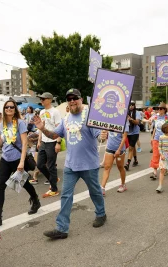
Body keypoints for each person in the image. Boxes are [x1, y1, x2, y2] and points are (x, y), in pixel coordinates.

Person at [33, 88, 106, 240]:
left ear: (81, 100)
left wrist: (103, 135)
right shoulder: (66, 119)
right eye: (69, 98)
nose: (72, 101)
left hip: (89, 165)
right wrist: (42, 129)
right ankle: (62, 228)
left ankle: (101, 213)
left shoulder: (89, 118)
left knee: (95, 192)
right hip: (70, 166)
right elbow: (54, 135)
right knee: (66, 196)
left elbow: (100, 136)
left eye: (75, 98)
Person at [0, 98, 41, 226]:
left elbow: (25, 142)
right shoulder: (2, 124)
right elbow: (0, 143)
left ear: (15, 109)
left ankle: (35, 200)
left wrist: (21, 163)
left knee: (24, 183)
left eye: (11, 107)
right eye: (6, 107)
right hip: (5, 158)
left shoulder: (20, 123)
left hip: (17, 159)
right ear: (4, 110)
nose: (9, 109)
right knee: (0, 186)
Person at [37, 92, 62, 197]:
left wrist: (58, 142)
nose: (41, 100)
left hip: (52, 142)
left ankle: (54, 189)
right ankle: (53, 179)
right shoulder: (41, 111)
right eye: (41, 99)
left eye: (43, 99)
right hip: (43, 141)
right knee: (39, 165)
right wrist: (39, 140)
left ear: (50, 100)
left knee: (51, 166)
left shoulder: (55, 112)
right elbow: (40, 127)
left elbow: (59, 128)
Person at [100, 124, 129, 196]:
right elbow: (105, 133)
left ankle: (123, 184)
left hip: (120, 150)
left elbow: (124, 137)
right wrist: (103, 133)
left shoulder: (124, 122)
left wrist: (119, 150)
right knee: (107, 167)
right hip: (110, 148)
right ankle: (102, 188)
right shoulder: (110, 121)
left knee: (120, 167)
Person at [146, 103, 168, 179]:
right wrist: (152, 138)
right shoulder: (155, 116)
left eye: (161, 109)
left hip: (165, 138)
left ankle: (165, 168)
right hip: (156, 138)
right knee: (155, 155)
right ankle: (155, 172)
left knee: (165, 155)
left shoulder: (167, 117)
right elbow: (154, 128)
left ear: (164, 110)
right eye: (158, 108)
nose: (159, 110)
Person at [156, 123, 168, 193]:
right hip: (163, 155)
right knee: (162, 170)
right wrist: (161, 155)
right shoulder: (161, 137)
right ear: (165, 129)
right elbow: (159, 147)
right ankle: (160, 186)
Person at [124, 101, 142, 170]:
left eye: (132, 105)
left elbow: (137, 122)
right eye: (130, 105)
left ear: (134, 106)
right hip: (128, 132)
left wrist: (130, 119)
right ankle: (136, 160)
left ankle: (128, 163)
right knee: (133, 146)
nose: (131, 106)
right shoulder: (126, 112)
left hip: (135, 132)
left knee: (130, 148)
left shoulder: (137, 113)